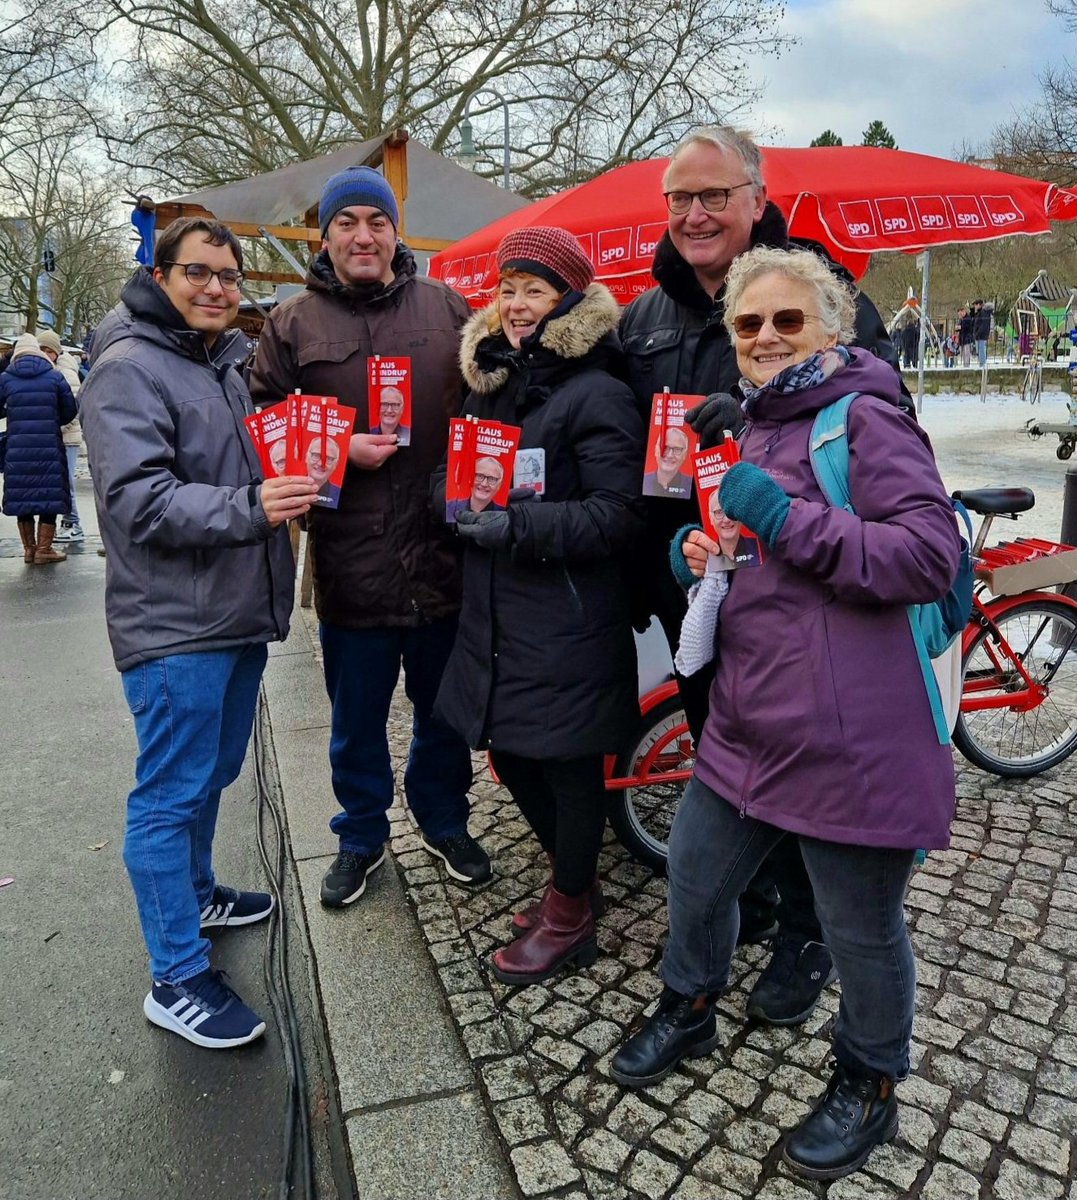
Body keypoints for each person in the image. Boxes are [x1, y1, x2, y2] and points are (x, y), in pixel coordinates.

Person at [611, 246, 960, 1181]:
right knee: (693, 878)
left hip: (853, 738)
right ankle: (687, 1008)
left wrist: (772, 514)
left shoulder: (866, 419)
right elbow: (759, 549)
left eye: (785, 320)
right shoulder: (751, 426)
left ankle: (869, 1083)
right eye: (746, 324)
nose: (763, 337)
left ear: (833, 329)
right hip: (749, 721)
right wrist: (704, 548)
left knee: (859, 930)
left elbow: (927, 557)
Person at [619, 125, 906, 1025]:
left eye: (713, 195)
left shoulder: (819, 293)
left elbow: (876, 424)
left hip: (812, 604)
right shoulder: (644, 316)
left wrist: (753, 433)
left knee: (809, 783)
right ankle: (743, 911)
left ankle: (805, 933)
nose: (694, 214)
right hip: (700, 585)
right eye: (678, 199)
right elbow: (618, 434)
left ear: (755, 197)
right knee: (725, 761)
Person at [79, 216, 320, 1049]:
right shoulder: (129, 367)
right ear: (160, 272)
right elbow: (136, 503)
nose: (217, 287)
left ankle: (199, 892)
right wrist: (250, 506)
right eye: (198, 273)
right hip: (175, 626)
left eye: (228, 273)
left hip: (231, 614)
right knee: (169, 793)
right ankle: (175, 975)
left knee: (212, 773)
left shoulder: (215, 360)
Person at [250, 165, 491, 905]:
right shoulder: (292, 323)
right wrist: (336, 450)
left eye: (376, 222)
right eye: (348, 222)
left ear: (394, 232)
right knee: (354, 723)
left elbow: (497, 397)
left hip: (440, 558)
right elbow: (259, 421)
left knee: (442, 714)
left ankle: (442, 818)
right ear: (325, 235)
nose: (363, 235)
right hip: (350, 563)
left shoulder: (447, 308)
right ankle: (360, 836)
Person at [433, 226, 645, 985]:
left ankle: (569, 913)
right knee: (509, 752)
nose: (518, 305)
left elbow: (619, 513)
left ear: (569, 300)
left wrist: (517, 524)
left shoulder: (598, 390)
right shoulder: (490, 381)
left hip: (566, 612)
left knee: (565, 767)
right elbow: (451, 468)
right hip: (496, 611)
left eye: (535, 289)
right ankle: (572, 885)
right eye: (509, 289)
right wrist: (452, 503)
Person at [0, 333, 78, 564]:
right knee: (49, 494)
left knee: (22, 495)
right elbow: (70, 410)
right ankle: (44, 549)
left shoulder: (5, 378)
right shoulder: (54, 377)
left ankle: (29, 549)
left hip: (17, 447)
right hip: (49, 447)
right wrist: (52, 421)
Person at [36, 328, 86, 543]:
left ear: (56, 351)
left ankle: (73, 524)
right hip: (57, 436)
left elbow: (74, 408)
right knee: (58, 483)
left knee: (66, 484)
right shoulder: (51, 369)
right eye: (41, 349)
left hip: (67, 437)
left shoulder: (65, 371)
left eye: (49, 350)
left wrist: (58, 428)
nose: (45, 354)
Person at [708, 492, 759, 569]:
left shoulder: (760, 548)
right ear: (711, 518)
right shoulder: (705, 558)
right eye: (719, 512)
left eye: (731, 511)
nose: (727, 519)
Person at [445, 455, 505, 519]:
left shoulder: (504, 514)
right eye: (479, 476)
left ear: (499, 485)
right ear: (470, 479)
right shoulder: (450, 507)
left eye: (492, 479)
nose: (484, 484)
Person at [642, 425, 693, 498]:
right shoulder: (641, 482)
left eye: (677, 449)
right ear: (656, 451)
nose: (670, 455)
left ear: (684, 455)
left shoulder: (692, 486)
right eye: (665, 448)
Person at [305, 433, 342, 502]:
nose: (321, 463)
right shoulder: (290, 485)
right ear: (306, 457)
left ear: (336, 464)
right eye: (316, 455)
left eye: (329, 459)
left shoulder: (340, 495)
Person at [972, 299, 992, 367]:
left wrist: (978, 333)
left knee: (981, 350)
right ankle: (981, 364)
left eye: (975, 305)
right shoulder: (980, 313)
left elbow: (983, 324)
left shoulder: (983, 313)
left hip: (981, 335)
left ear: (979, 305)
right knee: (980, 350)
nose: (975, 307)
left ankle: (982, 365)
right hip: (980, 334)